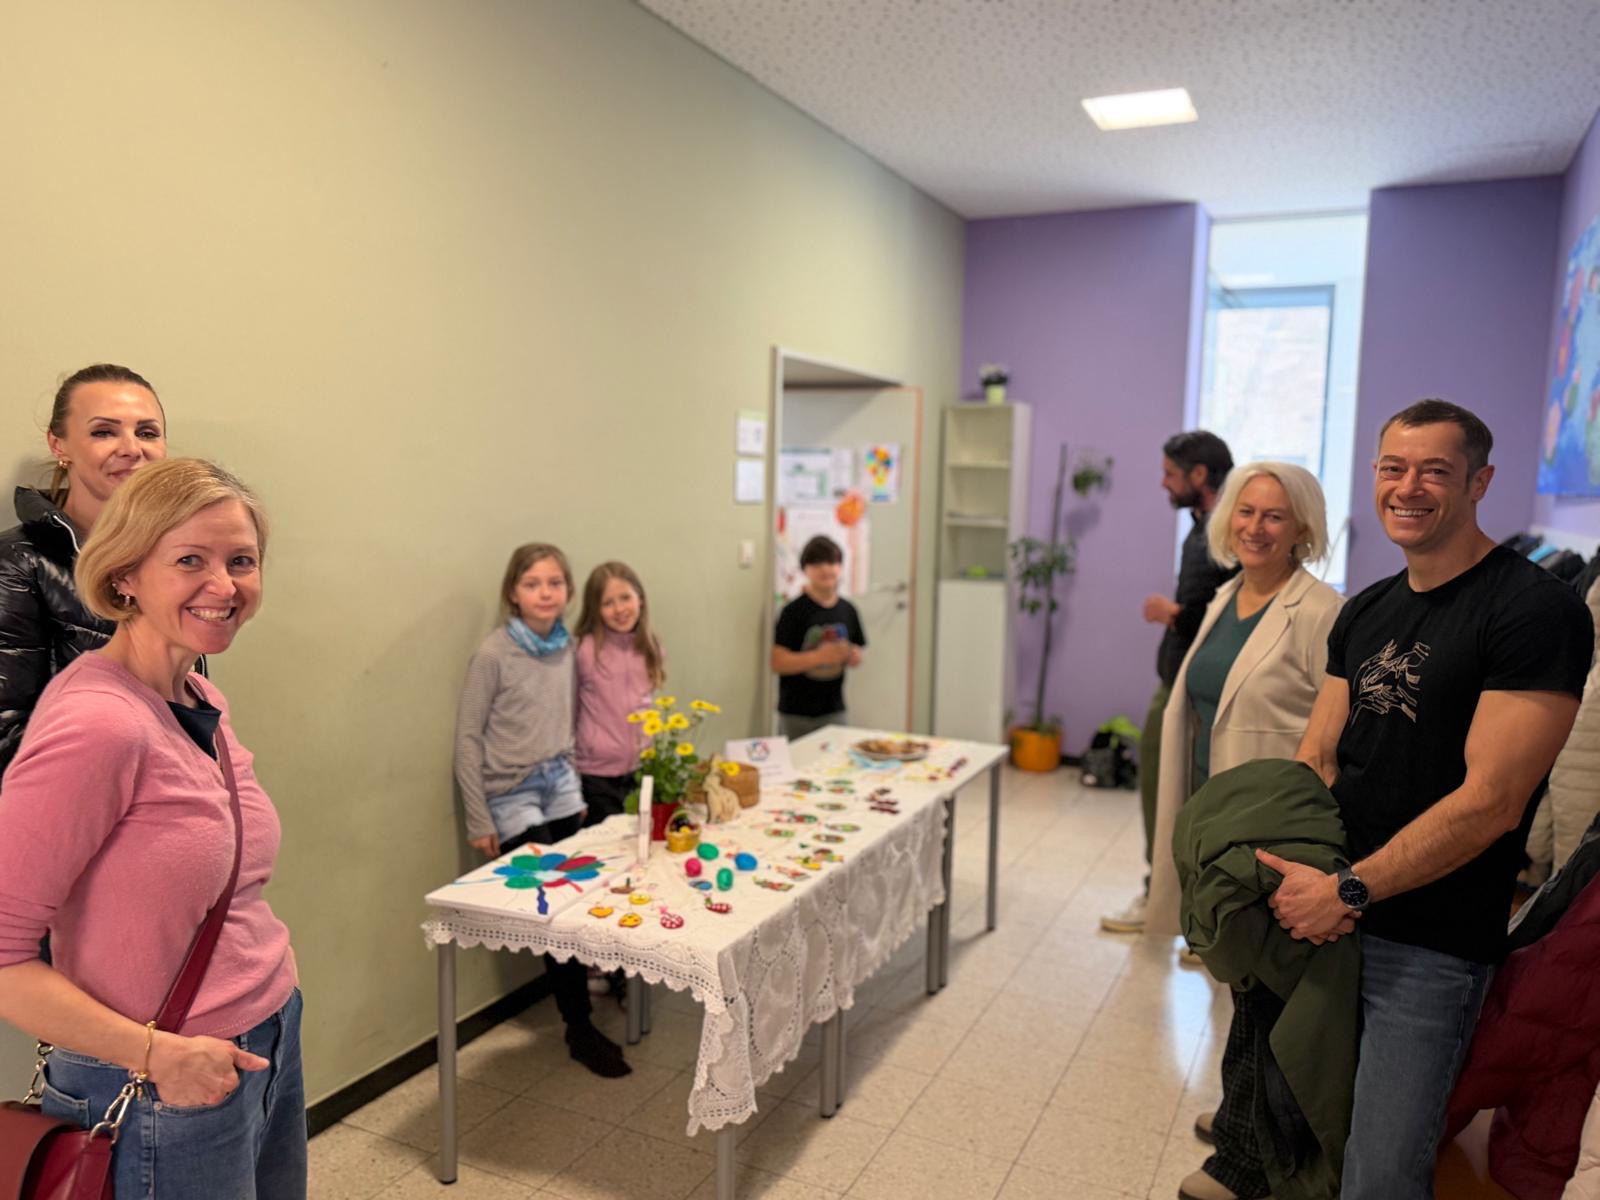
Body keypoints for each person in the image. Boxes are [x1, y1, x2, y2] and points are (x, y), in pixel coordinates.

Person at [1262, 400, 1592, 1200]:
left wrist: (1349, 889)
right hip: (1331, 921)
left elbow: (1493, 801)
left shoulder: (1534, 611)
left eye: (1435, 471)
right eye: (1393, 468)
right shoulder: (1367, 609)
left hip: (1431, 946)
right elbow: (1318, 754)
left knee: (1382, 1171)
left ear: (1480, 482)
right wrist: (1304, 876)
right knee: (1306, 1137)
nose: (1408, 487)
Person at [0, 458, 305, 1198]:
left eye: (241, 561)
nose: (223, 586)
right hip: (159, 1081)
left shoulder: (200, 695)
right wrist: (160, 1056)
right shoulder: (99, 725)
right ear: (127, 574)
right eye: (190, 560)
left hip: (266, 1037)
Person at [1143, 463, 1343, 1200]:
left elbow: (1337, 734)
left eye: (1275, 516)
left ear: (1302, 529)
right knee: (1238, 980)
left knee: (1265, 992)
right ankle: (1242, 1114)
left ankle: (1248, 1159)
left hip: (1270, 829)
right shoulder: (1228, 596)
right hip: (1216, 815)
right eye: (1247, 512)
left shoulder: (1320, 610)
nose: (1256, 527)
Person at [453, 542, 629, 1077]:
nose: (545, 593)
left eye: (554, 583)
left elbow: (568, 719)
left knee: (590, 891)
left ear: (568, 591)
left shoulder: (567, 649)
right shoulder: (493, 654)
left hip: (561, 785)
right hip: (512, 794)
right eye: (533, 584)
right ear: (514, 592)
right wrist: (479, 816)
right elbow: (467, 738)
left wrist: (573, 784)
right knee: (553, 908)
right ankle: (578, 1027)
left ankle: (610, 976)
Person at [0, 363, 167, 775]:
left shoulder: (171, 559)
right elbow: (7, 737)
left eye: (147, 433)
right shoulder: (15, 564)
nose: (132, 448)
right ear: (59, 445)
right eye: (104, 432)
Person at [1103, 430, 1237, 933]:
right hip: (1181, 677)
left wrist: (1174, 613)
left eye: (1169, 473)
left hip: (1199, 685)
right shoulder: (1203, 526)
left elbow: (1231, 611)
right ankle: (1167, 899)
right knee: (1169, 791)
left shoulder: (1225, 532)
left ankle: (1177, 905)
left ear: (1198, 475)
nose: (1163, 483)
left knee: (1179, 795)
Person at [573, 560, 665, 825]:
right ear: (595, 609)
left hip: (641, 771)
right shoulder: (584, 651)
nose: (619, 609)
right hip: (595, 776)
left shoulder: (651, 647)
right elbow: (569, 715)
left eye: (625, 598)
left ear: (640, 599)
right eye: (608, 603)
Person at [772, 535, 866, 739]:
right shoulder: (792, 611)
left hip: (834, 709)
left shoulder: (848, 610)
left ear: (840, 567)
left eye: (831, 562)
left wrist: (853, 656)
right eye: (817, 563)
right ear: (805, 569)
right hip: (795, 711)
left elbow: (857, 652)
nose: (825, 569)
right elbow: (777, 662)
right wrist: (819, 657)